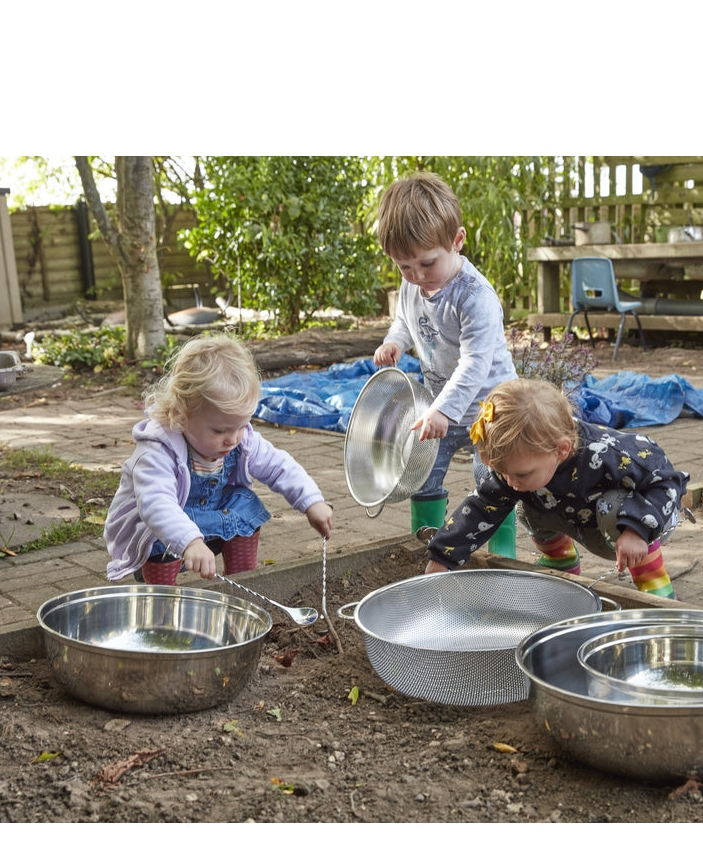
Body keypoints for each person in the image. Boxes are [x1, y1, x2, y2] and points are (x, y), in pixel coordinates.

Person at [423, 378, 689, 598]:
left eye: (519, 473)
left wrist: (636, 530)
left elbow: (666, 482)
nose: (511, 480)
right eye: (503, 472)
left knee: (614, 504)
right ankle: (560, 561)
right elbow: (481, 507)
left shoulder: (613, 455)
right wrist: (443, 556)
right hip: (581, 517)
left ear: (562, 449)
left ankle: (653, 582)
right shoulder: (523, 466)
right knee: (518, 499)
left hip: (646, 521)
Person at [104, 334, 333, 584]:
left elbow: (279, 466)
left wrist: (312, 502)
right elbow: (156, 504)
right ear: (182, 414)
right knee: (157, 529)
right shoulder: (158, 451)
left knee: (245, 503)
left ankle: (243, 582)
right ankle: (162, 599)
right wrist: (189, 541)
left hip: (210, 520)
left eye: (242, 425)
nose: (232, 439)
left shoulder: (241, 439)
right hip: (160, 533)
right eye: (219, 430)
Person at [372, 172, 518, 541]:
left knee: (494, 488)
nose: (417, 276)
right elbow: (406, 320)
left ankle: (500, 561)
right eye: (404, 266)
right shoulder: (412, 284)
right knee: (420, 474)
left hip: (490, 411)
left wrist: (442, 410)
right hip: (440, 410)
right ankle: (430, 546)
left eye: (426, 263)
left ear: (457, 241)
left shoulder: (474, 297)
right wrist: (395, 342)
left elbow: (475, 363)